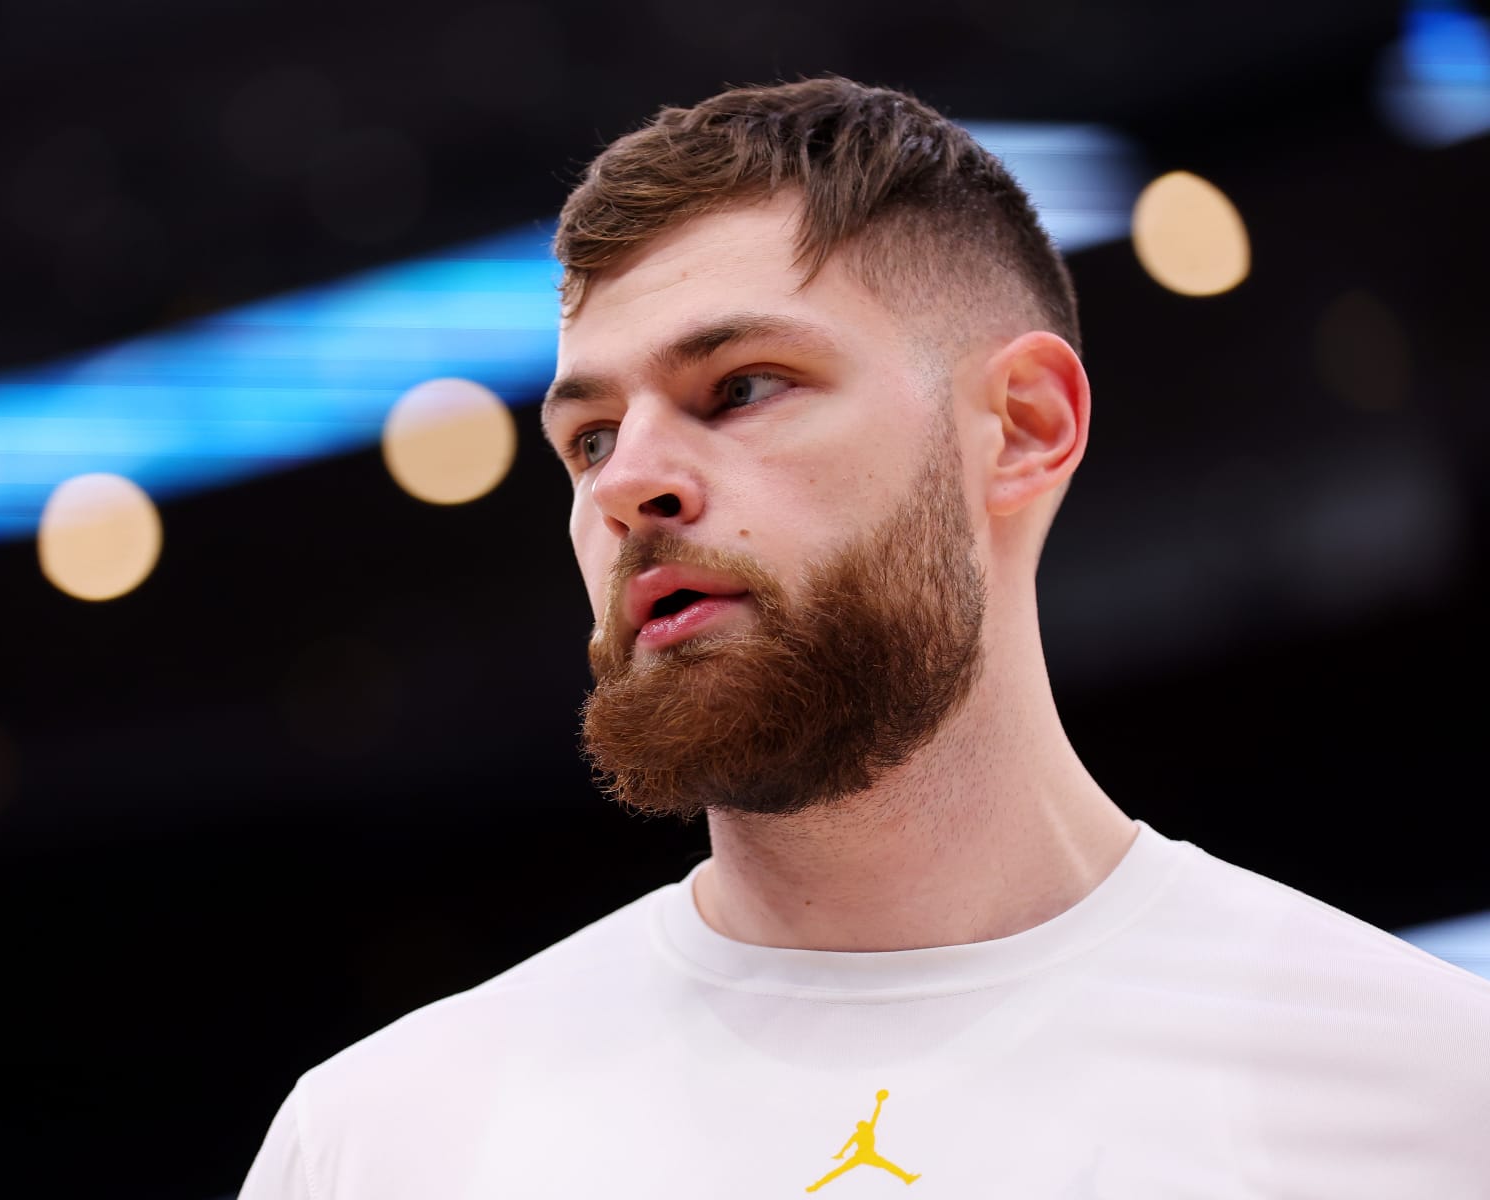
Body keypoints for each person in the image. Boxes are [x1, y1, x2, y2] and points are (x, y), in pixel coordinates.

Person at [237, 77, 1490, 1198]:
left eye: (740, 387)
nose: (629, 485)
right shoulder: (387, 1143)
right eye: (589, 439)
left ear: (1024, 424)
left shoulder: (1433, 1099)